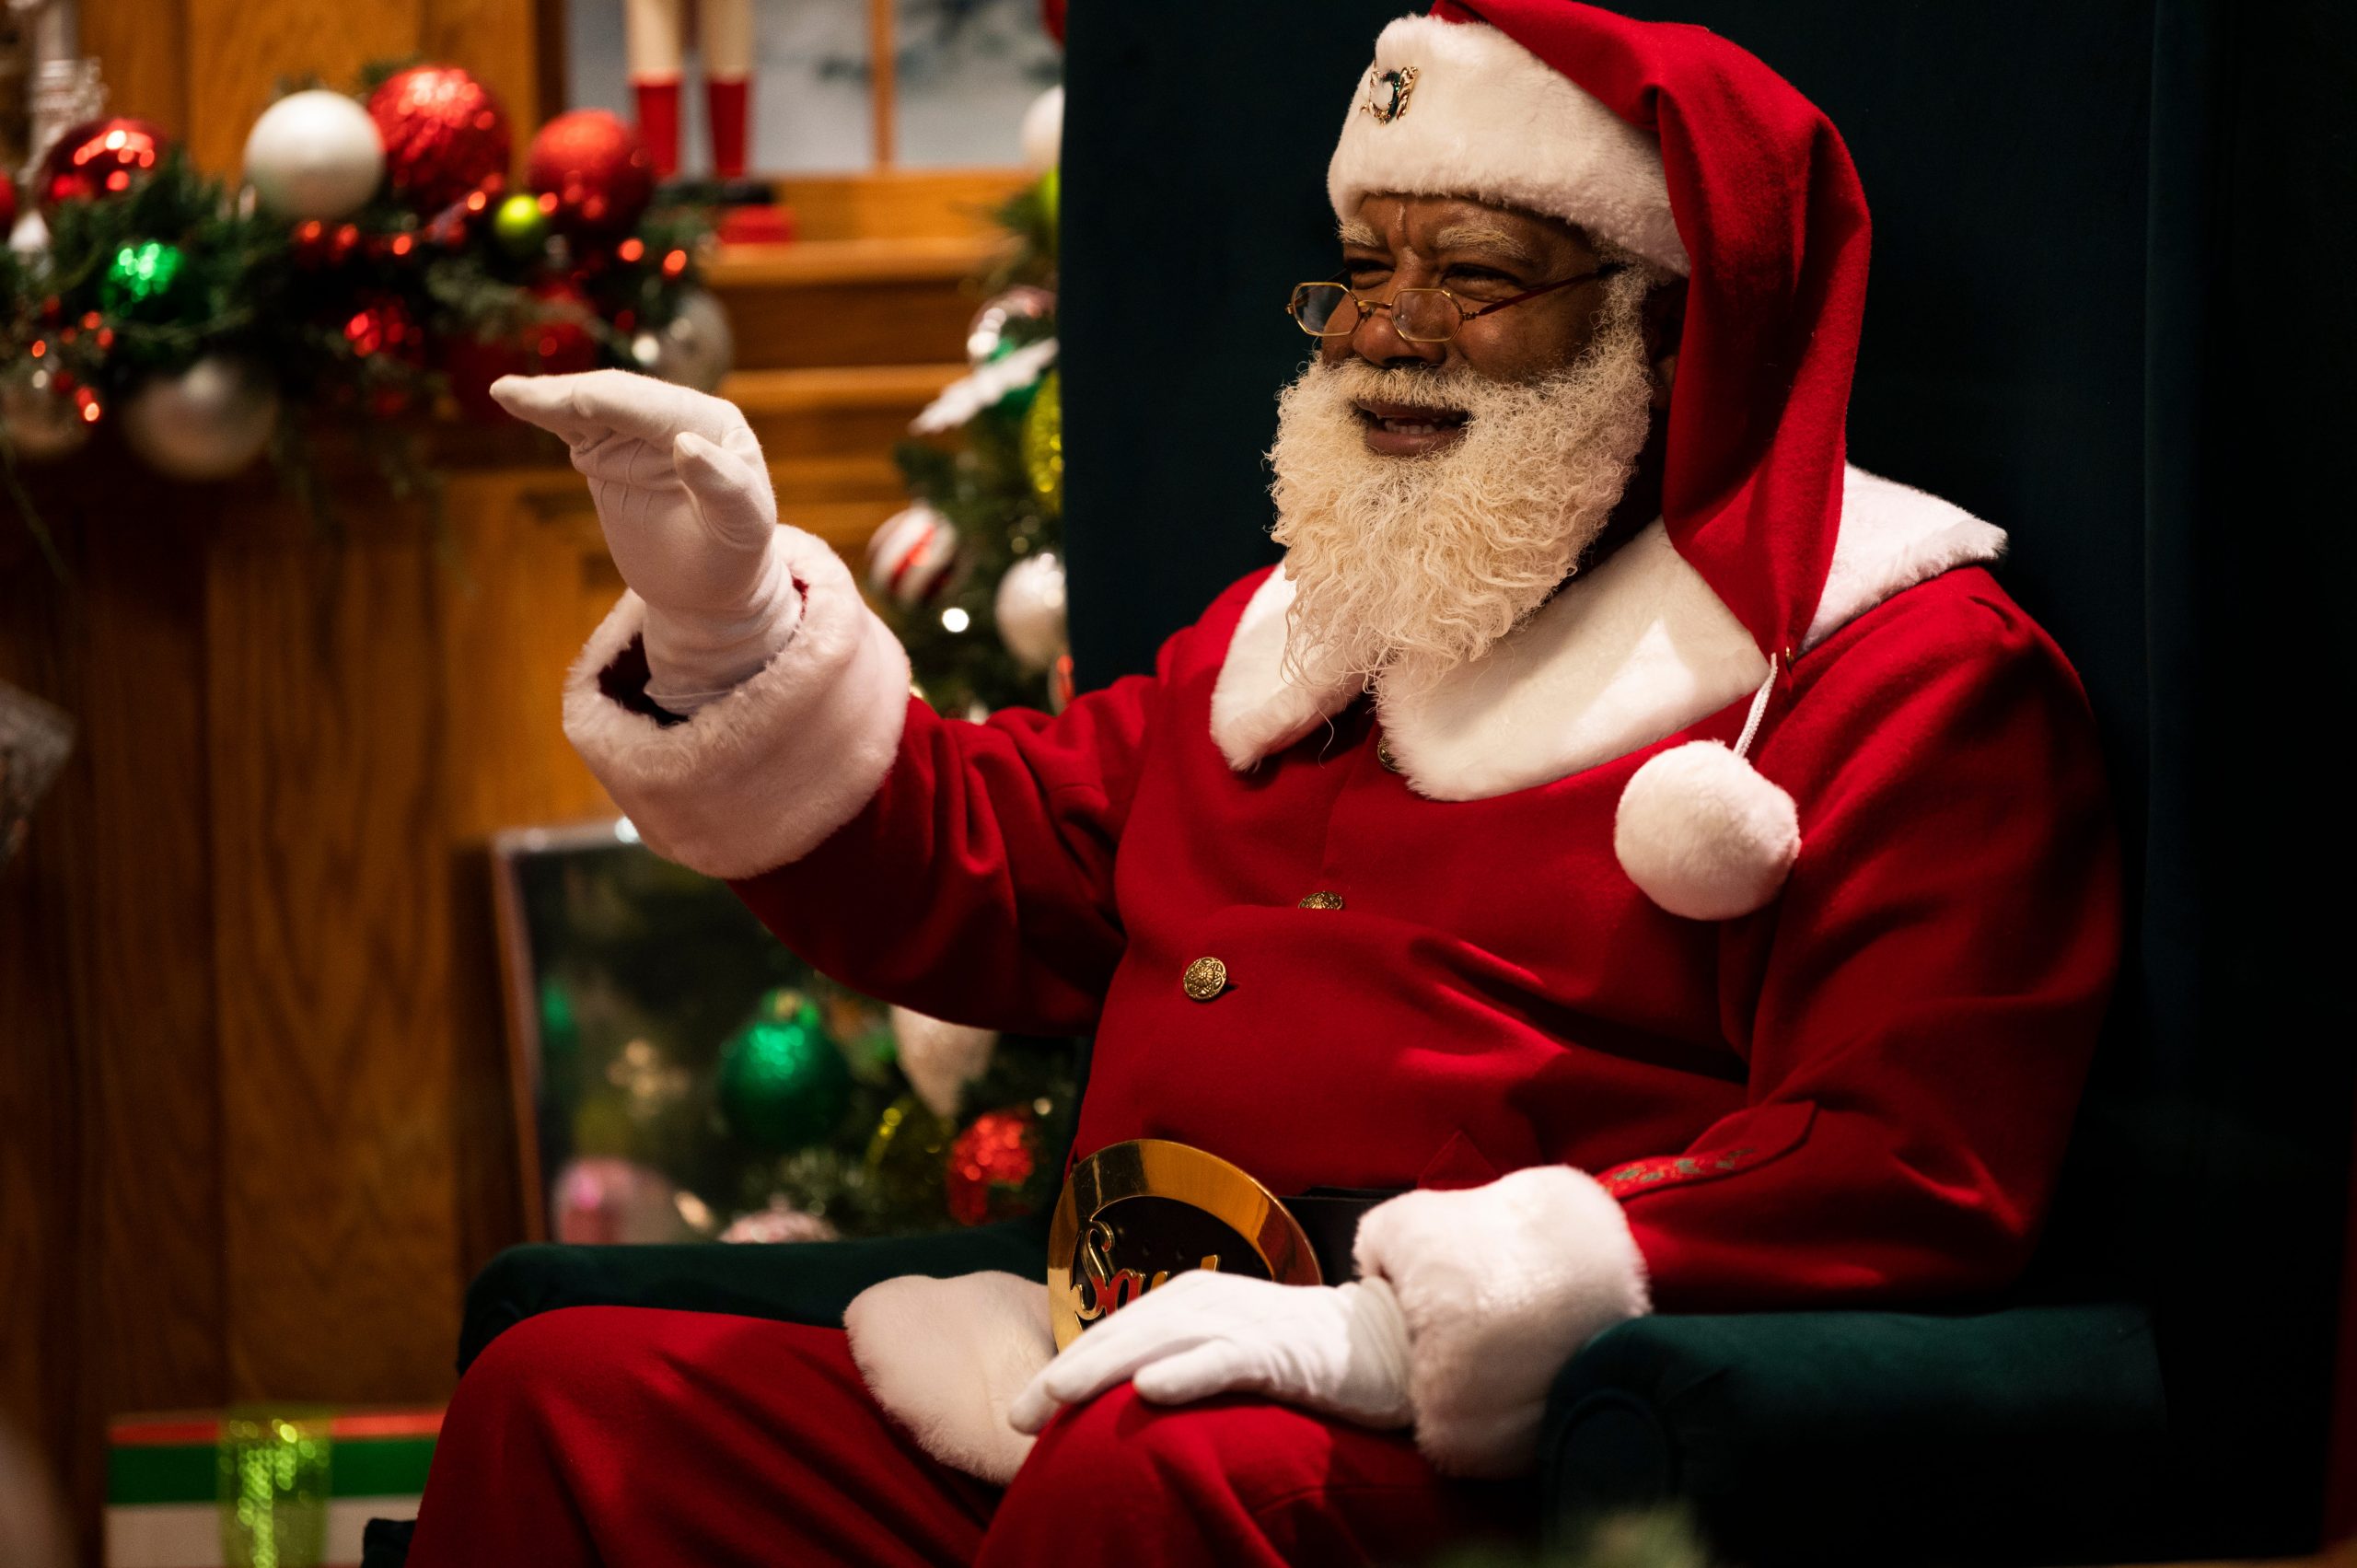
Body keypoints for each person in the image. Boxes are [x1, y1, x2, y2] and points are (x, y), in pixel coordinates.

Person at [406, 3, 2119, 1563]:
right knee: (572, 1407)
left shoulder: (1899, 677)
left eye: (1474, 274)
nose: (1387, 331)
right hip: (1096, 1366)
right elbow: (981, 861)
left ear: (1676, 332)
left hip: (1466, 1451)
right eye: (1365, 266)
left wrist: (1401, 1332)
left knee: (1152, 1482)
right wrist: (723, 624)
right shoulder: (1301, 642)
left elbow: (1907, 1162)